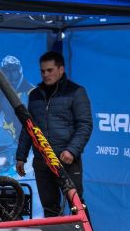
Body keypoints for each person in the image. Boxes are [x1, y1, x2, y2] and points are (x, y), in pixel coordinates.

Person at [15, 51, 92, 217]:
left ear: (61, 69)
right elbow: (28, 127)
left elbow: (85, 125)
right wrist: (21, 156)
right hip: (41, 161)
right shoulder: (34, 95)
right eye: (42, 71)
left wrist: (72, 150)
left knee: (77, 206)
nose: (45, 74)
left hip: (67, 161)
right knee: (49, 209)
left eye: (50, 70)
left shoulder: (76, 92)